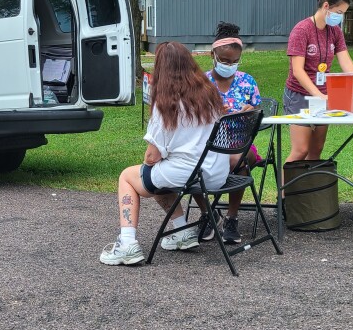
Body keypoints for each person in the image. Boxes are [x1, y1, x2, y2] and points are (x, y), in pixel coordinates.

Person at [100, 42, 229, 266]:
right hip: (216, 172)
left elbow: (152, 157)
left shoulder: (166, 104)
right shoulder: (210, 96)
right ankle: (182, 232)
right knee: (158, 177)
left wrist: (147, 165)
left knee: (128, 177)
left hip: (190, 173)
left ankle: (128, 244)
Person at [193, 22, 262, 245]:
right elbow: (190, 116)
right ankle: (207, 214)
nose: (229, 65)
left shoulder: (247, 82)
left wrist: (251, 112)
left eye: (234, 62)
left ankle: (231, 218)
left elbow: (259, 111)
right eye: (224, 61)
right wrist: (210, 112)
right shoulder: (201, 83)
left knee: (237, 158)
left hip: (240, 143)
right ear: (212, 55)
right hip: (207, 143)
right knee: (188, 162)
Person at [283, 0, 353, 163]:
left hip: (323, 95)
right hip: (299, 95)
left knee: (316, 151)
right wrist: (317, 94)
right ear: (326, 6)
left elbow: (346, 61)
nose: (340, 17)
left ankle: (310, 191)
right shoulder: (302, 30)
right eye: (339, 12)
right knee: (301, 150)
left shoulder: (335, 31)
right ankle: (284, 192)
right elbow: (298, 71)